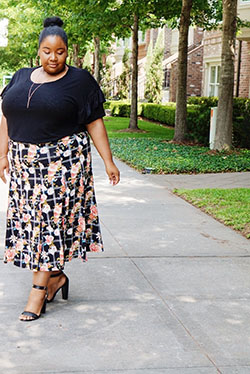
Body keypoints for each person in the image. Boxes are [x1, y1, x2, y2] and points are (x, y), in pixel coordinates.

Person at [0, 16, 120, 321]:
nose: (54, 57)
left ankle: (38, 291)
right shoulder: (20, 76)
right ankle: (55, 279)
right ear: (38, 50)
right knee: (32, 226)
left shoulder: (80, 81)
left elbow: (94, 122)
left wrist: (108, 161)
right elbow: (5, 117)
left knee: (48, 225)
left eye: (60, 51)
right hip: (25, 168)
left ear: (67, 51)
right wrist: (2, 155)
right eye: (47, 51)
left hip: (63, 163)